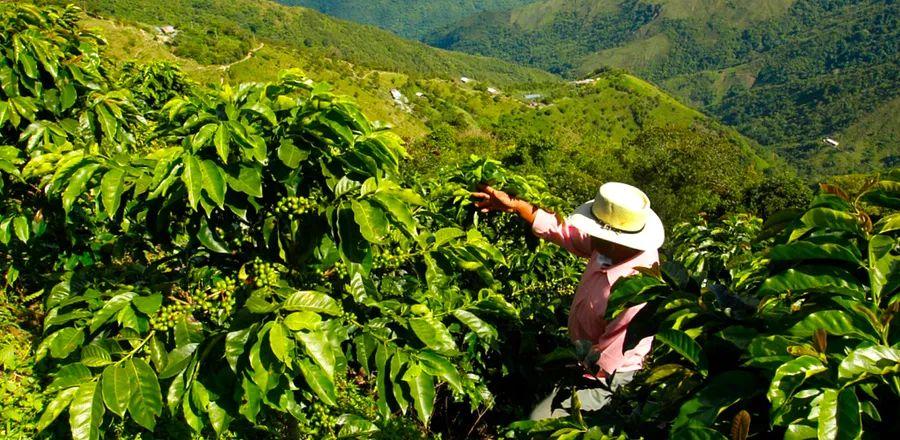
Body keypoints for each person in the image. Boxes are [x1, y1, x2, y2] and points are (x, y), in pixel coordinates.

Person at [471, 182, 665, 419]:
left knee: (539, 422)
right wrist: (516, 206)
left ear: (615, 241)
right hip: (583, 357)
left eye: (596, 232)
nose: (589, 235)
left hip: (608, 377)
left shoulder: (636, 294)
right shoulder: (611, 248)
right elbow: (566, 232)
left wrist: (568, 376)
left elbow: (606, 363)